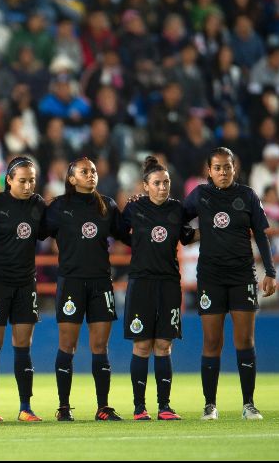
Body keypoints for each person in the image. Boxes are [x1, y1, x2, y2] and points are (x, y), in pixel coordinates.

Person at [183, 147, 276, 420]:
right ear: (208, 171)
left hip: (242, 276)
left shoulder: (247, 196)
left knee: (245, 340)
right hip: (210, 277)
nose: (223, 172)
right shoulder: (200, 195)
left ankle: (248, 404)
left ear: (234, 168)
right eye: (217, 167)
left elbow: (261, 235)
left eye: (227, 167)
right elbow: (175, 220)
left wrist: (269, 271)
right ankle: (210, 405)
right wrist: (194, 234)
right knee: (212, 342)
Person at [38, 157, 130, 422]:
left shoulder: (108, 206)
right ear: (71, 178)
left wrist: (138, 210)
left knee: (100, 346)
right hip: (71, 282)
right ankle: (64, 407)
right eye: (84, 171)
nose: (91, 175)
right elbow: (37, 233)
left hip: (101, 282)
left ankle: (103, 407)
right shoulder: (58, 207)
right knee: (68, 345)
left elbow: (127, 234)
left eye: (93, 171)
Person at [120, 156, 198, 421]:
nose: (163, 187)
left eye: (166, 182)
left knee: (164, 345)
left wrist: (219, 229)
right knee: (142, 345)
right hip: (141, 282)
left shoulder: (177, 209)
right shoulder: (133, 209)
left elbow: (187, 236)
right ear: (145, 185)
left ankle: (164, 405)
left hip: (168, 284)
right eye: (157, 183)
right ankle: (139, 407)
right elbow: (119, 232)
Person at [0, 157, 47, 422]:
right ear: (9, 180)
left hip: (25, 283)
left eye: (32, 180)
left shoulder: (38, 205)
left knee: (23, 345)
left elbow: (49, 229)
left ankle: (25, 407)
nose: (28, 185)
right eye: (22, 180)